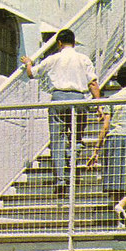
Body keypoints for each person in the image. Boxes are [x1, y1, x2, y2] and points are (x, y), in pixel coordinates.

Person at [21, 29, 102, 196]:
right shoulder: (84, 59)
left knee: (57, 140)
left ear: (59, 43)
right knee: (76, 137)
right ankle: (71, 166)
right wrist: (98, 104)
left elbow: (31, 74)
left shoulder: (53, 58)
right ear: (74, 42)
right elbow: (93, 83)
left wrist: (29, 62)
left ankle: (60, 179)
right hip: (78, 99)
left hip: (58, 99)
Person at [88, 66, 126, 228]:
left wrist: (96, 149)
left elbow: (105, 126)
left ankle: (119, 219)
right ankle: (122, 204)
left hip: (113, 140)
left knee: (115, 179)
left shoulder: (112, 99)